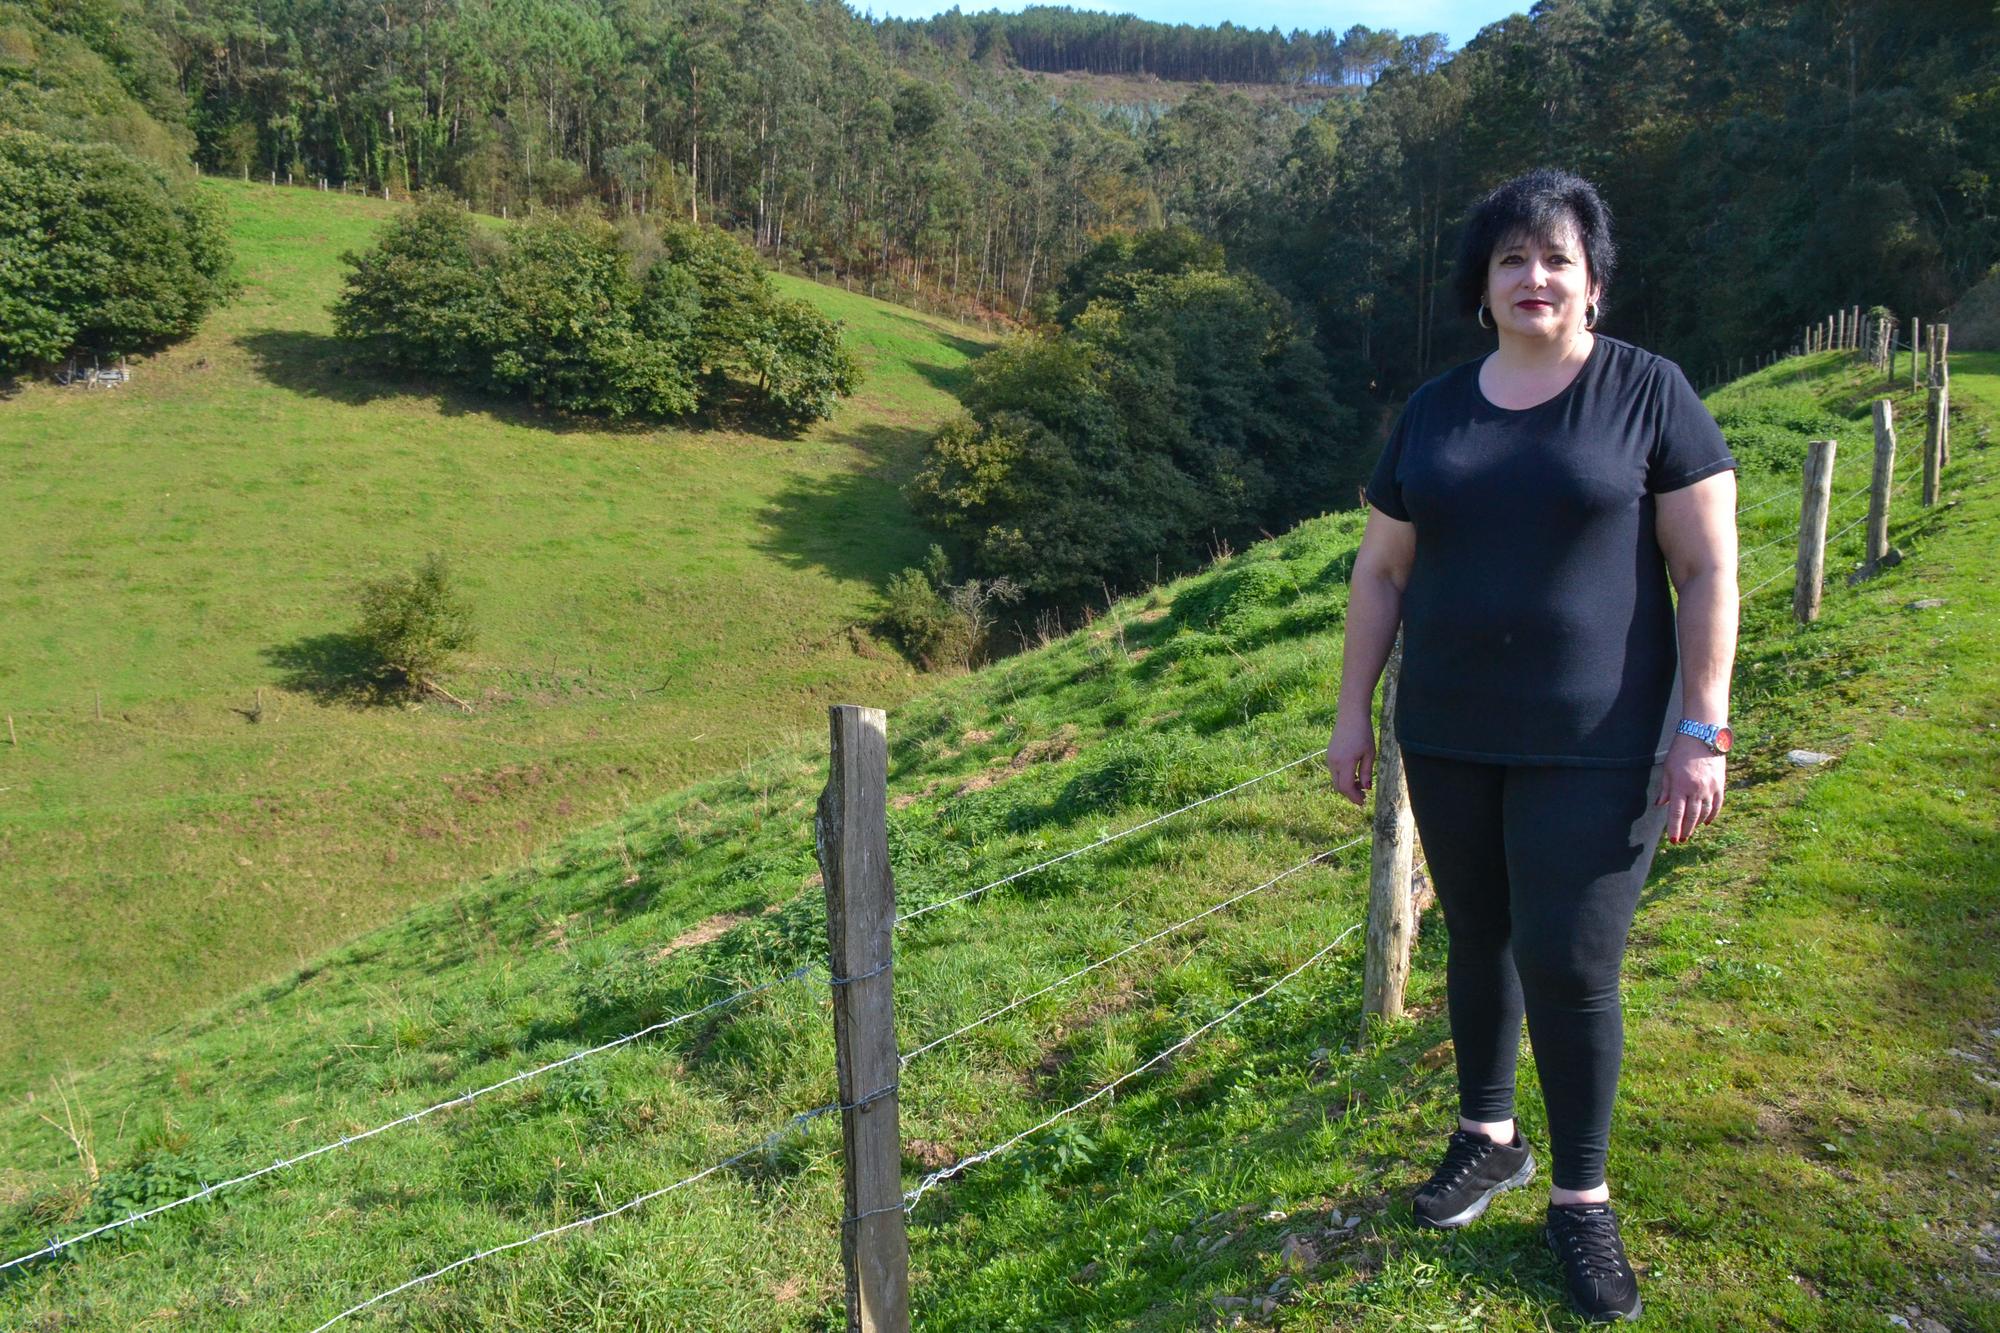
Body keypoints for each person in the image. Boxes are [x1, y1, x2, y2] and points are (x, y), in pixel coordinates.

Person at [1325, 168, 1738, 1324]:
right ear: (1482, 286)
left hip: (1597, 739)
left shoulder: (1647, 395)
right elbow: (1380, 571)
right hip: (1450, 733)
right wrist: (1352, 709)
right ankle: (1486, 1133)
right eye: (1510, 259)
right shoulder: (1434, 410)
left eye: (1555, 258)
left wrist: (1699, 728)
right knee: (1481, 937)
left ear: (1592, 283)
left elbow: (1705, 570)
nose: (1532, 277)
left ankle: (1580, 1197)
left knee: (1569, 961)